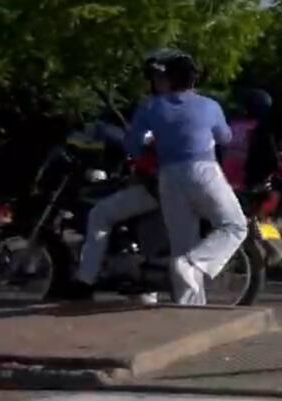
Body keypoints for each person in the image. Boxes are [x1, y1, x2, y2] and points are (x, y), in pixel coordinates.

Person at [121, 50, 248, 306]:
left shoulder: (150, 107)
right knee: (234, 226)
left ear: (168, 79)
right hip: (203, 170)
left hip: (168, 177)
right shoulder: (209, 105)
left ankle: (189, 309)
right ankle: (195, 262)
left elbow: (132, 145)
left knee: (182, 244)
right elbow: (225, 138)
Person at [75, 52, 179, 299]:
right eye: (154, 78)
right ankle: (137, 283)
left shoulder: (167, 109)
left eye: (159, 77)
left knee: (99, 214)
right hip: (166, 184)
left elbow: (150, 145)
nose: (155, 82)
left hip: (162, 186)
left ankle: (85, 281)